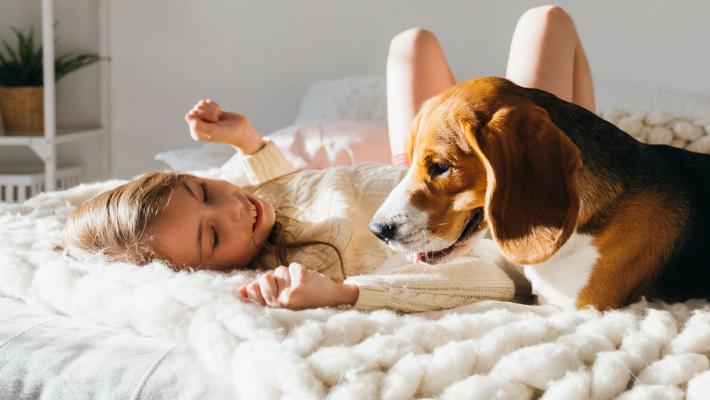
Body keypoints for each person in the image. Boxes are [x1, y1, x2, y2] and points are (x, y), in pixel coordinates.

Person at [63, 5, 594, 312]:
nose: (230, 211)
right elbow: (490, 280)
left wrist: (248, 143)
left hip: (406, 175)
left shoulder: (247, 202)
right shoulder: (313, 264)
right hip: (487, 219)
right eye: (213, 237)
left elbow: (284, 188)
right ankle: (590, 158)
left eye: (203, 191)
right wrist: (344, 293)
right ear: (197, 272)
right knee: (545, 22)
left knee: (411, 43)